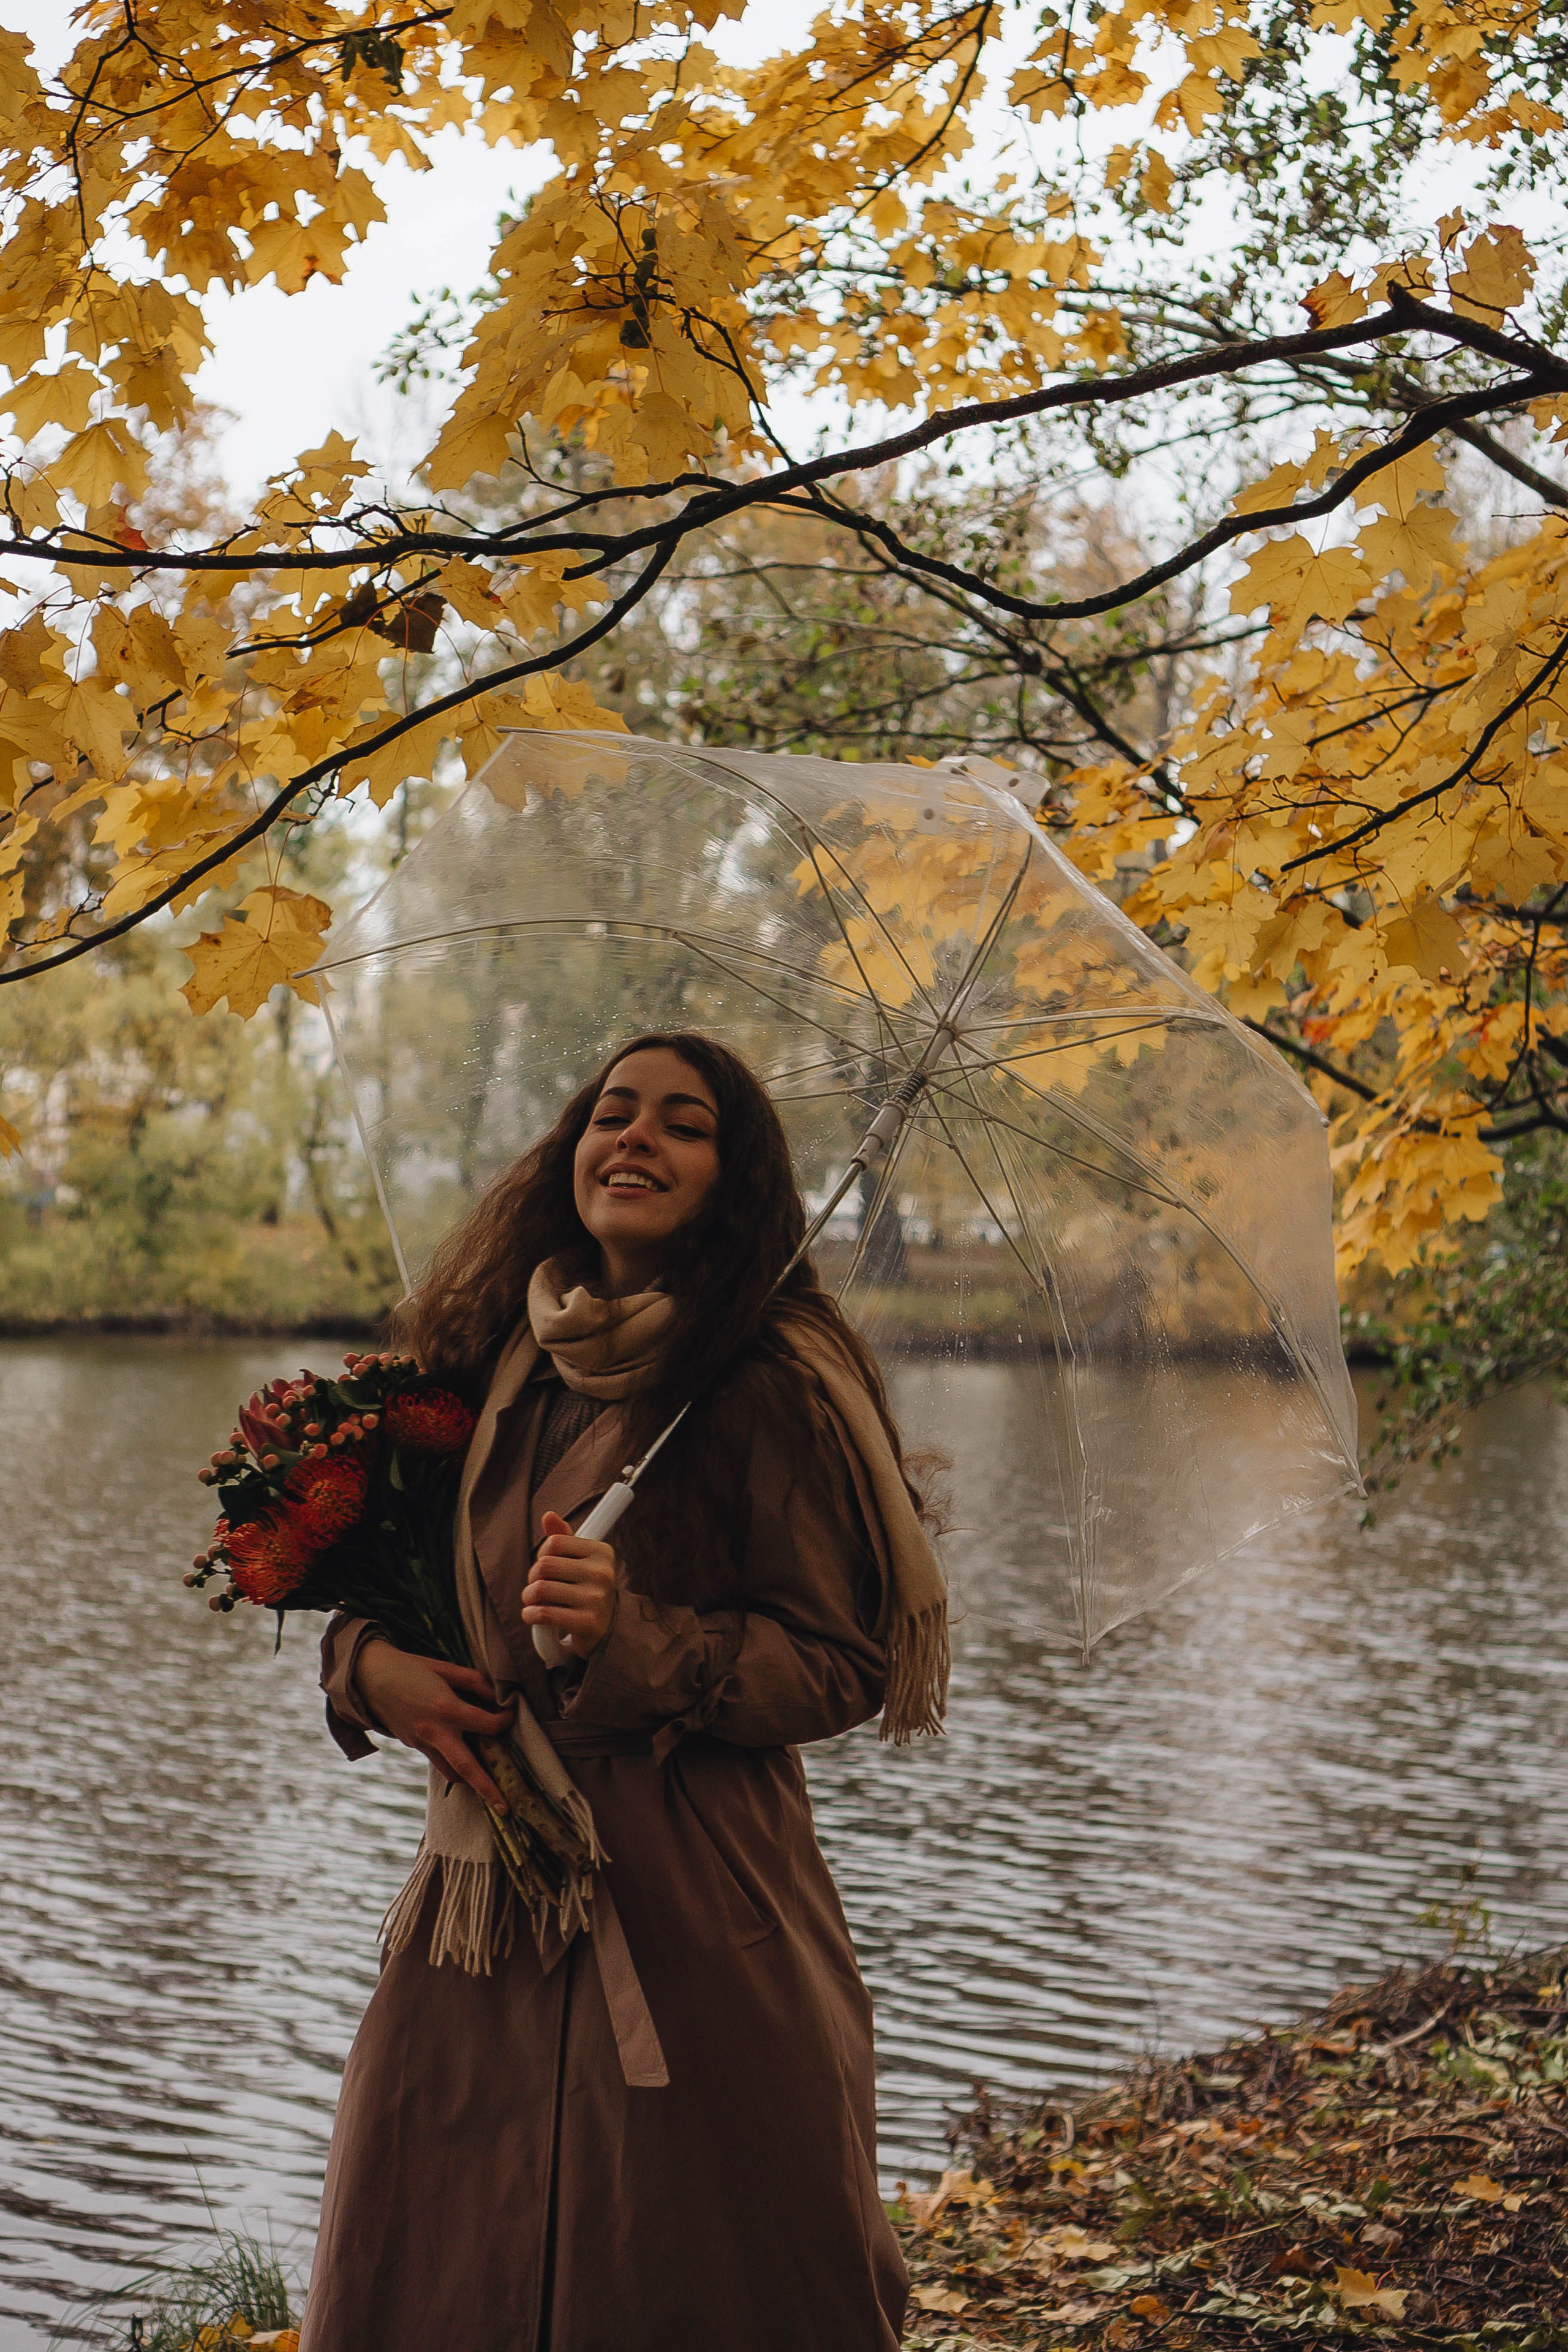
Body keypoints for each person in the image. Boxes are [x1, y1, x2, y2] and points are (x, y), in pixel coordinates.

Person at [298, 1031, 949, 2352]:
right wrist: (371, 1673)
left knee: (687, 2267)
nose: (635, 1137)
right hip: (477, 1911)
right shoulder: (487, 1356)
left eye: (683, 1123)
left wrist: (634, 1635)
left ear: (734, 1177)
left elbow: (841, 1663)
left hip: (697, 1912)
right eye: (614, 1111)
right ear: (572, 1147)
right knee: (431, 2258)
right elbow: (377, 1584)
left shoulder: (767, 1384)